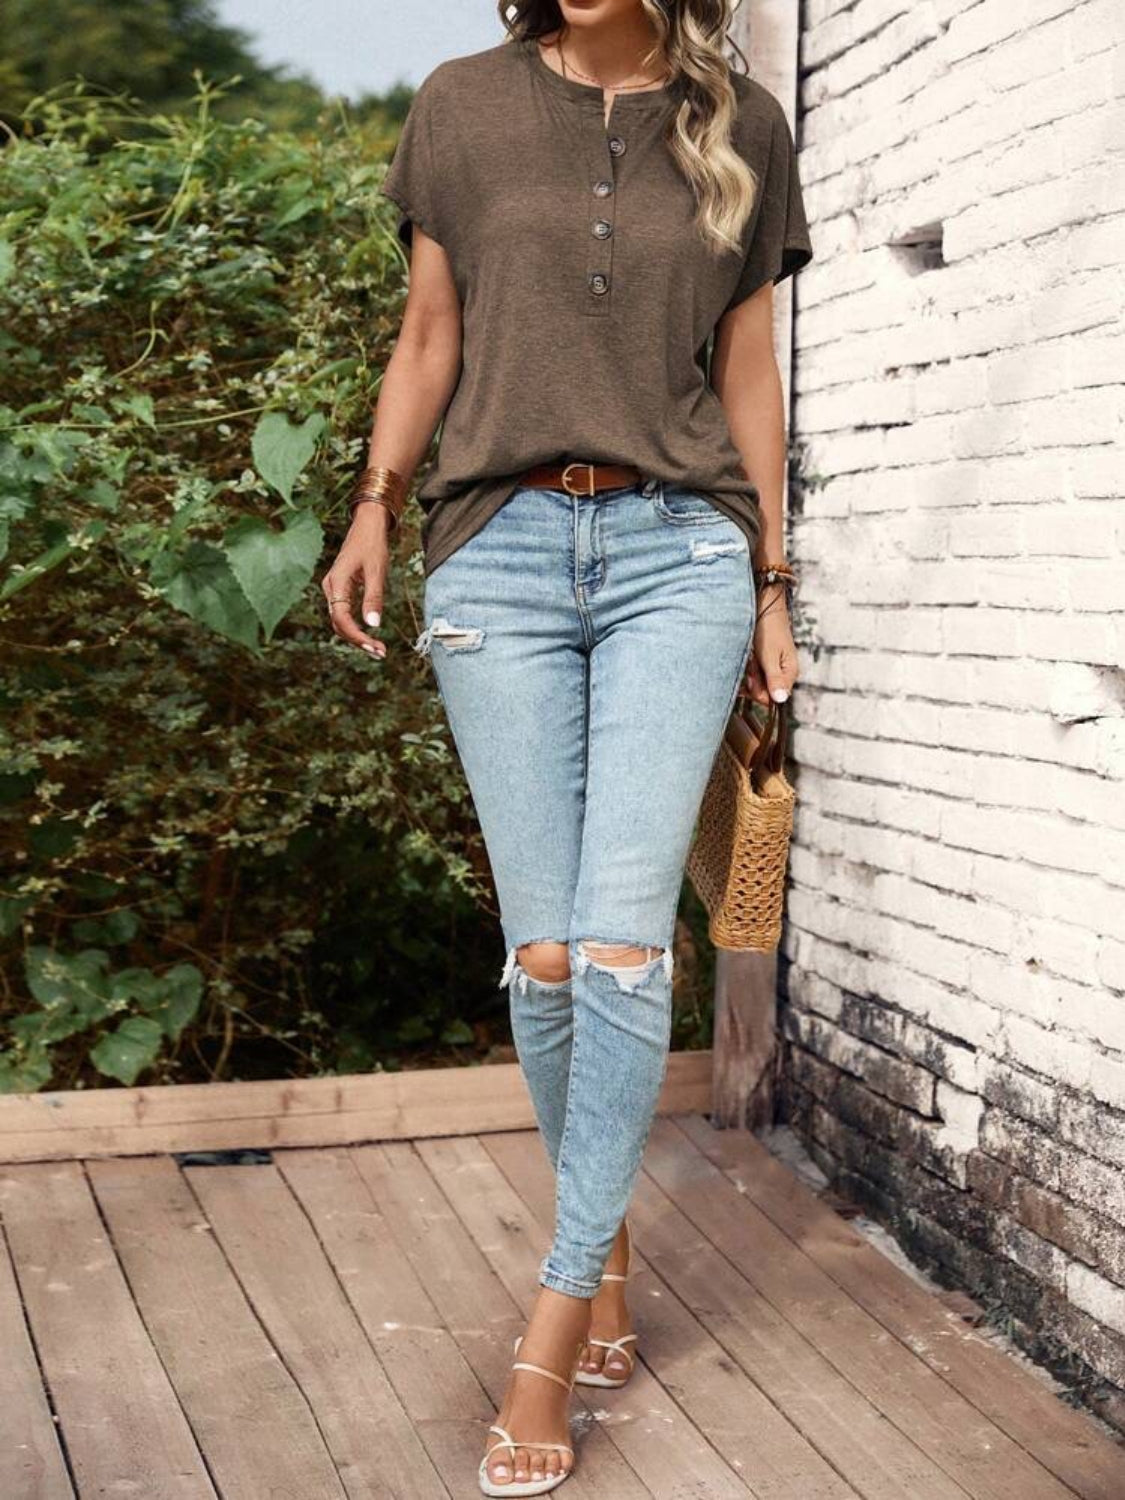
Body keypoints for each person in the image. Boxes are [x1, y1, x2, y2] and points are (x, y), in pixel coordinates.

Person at [321, 2, 812, 1492]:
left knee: (619, 947)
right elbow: (430, 332)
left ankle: (548, 1327)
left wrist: (772, 580)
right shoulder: (461, 105)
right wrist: (373, 505)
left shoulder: (743, 124)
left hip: (680, 554)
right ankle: (603, 1253)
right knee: (541, 955)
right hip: (498, 548)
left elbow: (747, 368)